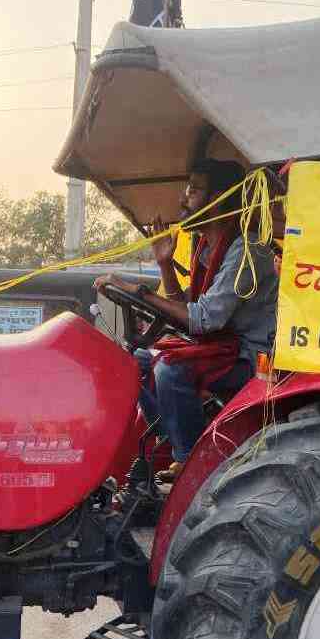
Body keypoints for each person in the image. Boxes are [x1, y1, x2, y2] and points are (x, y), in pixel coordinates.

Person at [95, 158, 278, 480]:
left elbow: (203, 320)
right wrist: (165, 265)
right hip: (221, 348)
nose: (183, 198)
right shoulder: (207, 248)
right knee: (135, 361)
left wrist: (138, 291)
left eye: (193, 190)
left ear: (217, 198)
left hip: (252, 356)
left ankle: (191, 464)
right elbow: (186, 313)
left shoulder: (247, 250)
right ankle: (170, 440)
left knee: (170, 368)